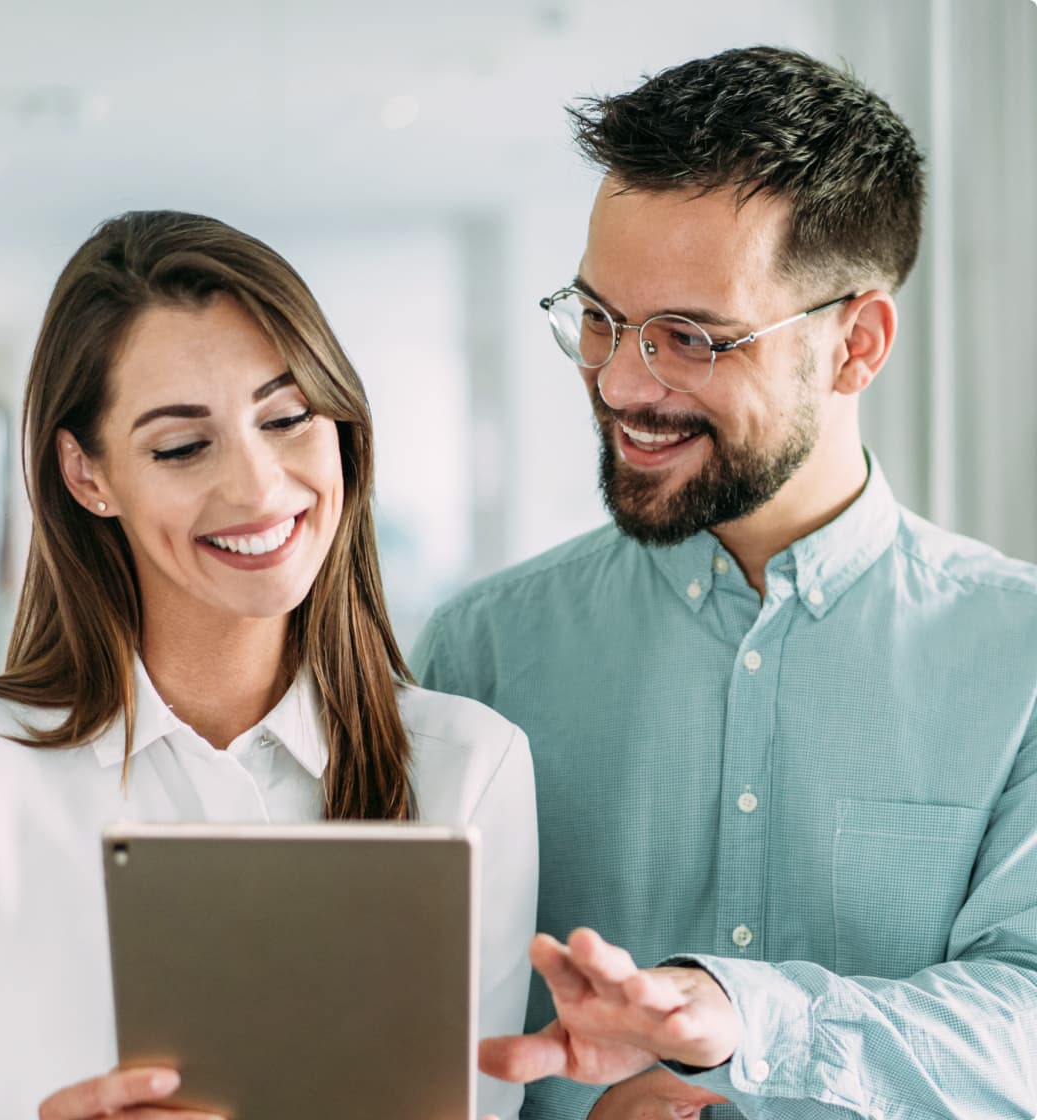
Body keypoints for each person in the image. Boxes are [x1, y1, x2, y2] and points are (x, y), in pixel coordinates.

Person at [411, 45, 1037, 1120]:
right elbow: (420, 1021)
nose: (620, 382)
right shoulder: (484, 652)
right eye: (598, 318)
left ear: (856, 346)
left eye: (691, 339)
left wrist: (739, 1020)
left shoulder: (1016, 653)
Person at [0, 210, 537, 1120]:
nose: (255, 487)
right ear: (87, 474)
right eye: (181, 445)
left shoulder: (469, 767)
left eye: (287, 418)